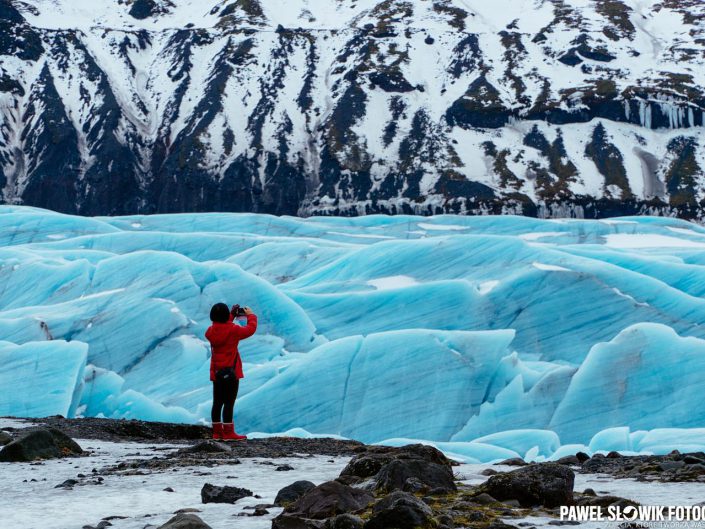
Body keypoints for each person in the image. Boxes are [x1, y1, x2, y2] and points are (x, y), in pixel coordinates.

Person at [205, 302, 257, 441]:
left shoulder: (210, 331)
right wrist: (251, 315)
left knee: (217, 402)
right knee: (229, 402)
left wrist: (231, 315)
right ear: (224, 315)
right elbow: (250, 329)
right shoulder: (234, 330)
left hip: (217, 373)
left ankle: (217, 433)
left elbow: (222, 327)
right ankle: (228, 433)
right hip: (231, 373)